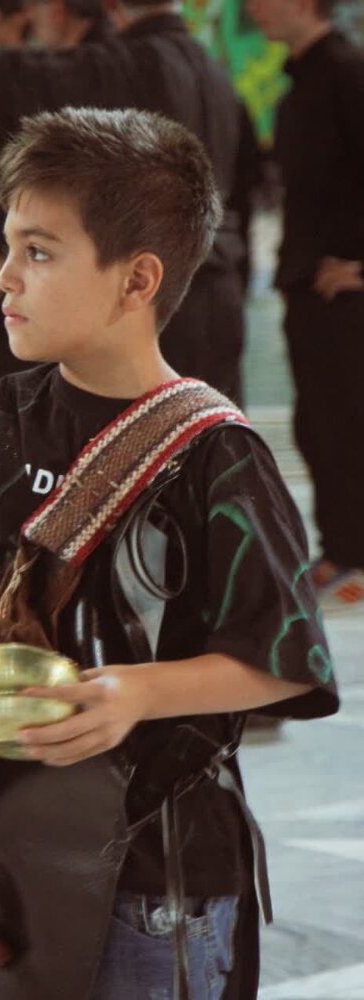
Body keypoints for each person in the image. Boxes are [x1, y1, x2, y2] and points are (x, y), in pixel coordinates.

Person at [0, 107, 338, 1000]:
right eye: (7, 246)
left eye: (39, 252)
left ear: (137, 280)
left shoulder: (215, 456)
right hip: (5, 845)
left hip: (158, 869)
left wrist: (136, 693)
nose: (5, 277)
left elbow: (285, 660)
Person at [0, 2, 260, 405]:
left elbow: (25, 74)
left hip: (155, 301)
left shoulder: (131, 62)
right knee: (206, 436)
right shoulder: (214, 72)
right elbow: (246, 192)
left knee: (133, 440)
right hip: (219, 295)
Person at [247, 0, 364, 601]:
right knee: (319, 426)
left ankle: (353, 555)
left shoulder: (347, 72)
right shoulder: (303, 84)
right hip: (308, 288)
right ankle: (343, 549)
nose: (252, 8)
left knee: (347, 427)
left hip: (345, 296)